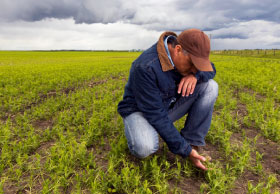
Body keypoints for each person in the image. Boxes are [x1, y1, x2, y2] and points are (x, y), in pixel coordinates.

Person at [117, 29, 218, 170]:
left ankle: (191, 142)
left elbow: (210, 68)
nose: (194, 69)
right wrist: (184, 151)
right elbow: (155, 114)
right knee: (144, 147)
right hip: (140, 111)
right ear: (178, 50)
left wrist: (195, 76)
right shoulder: (145, 67)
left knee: (210, 87)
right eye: (192, 65)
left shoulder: (188, 58)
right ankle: (143, 130)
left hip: (166, 105)